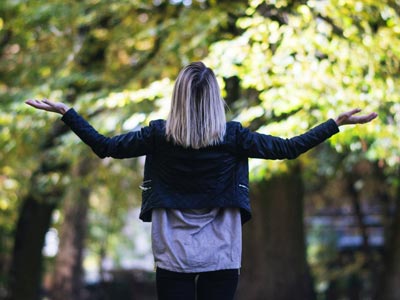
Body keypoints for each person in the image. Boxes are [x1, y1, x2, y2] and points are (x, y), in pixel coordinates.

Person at [26, 61, 377, 300]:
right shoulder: (234, 136)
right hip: (222, 245)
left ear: (177, 97)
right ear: (214, 100)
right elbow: (288, 148)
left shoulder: (158, 135)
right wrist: (334, 123)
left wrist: (67, 113)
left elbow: (105, 147)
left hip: (172, 246)